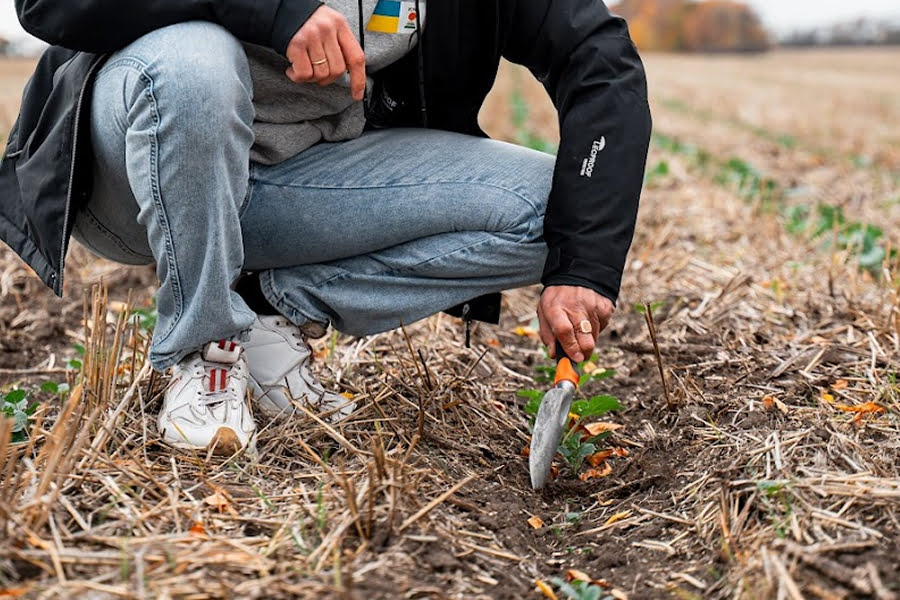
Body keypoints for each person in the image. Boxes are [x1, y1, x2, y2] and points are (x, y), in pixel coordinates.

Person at [1, 0, 651, 454]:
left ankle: (268, 311)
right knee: (195, 61)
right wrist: (275, 12)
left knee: (560, 213)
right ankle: (203, 352)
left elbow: (599, 60)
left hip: (294, 187)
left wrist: (584, 268)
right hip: (135, 173)